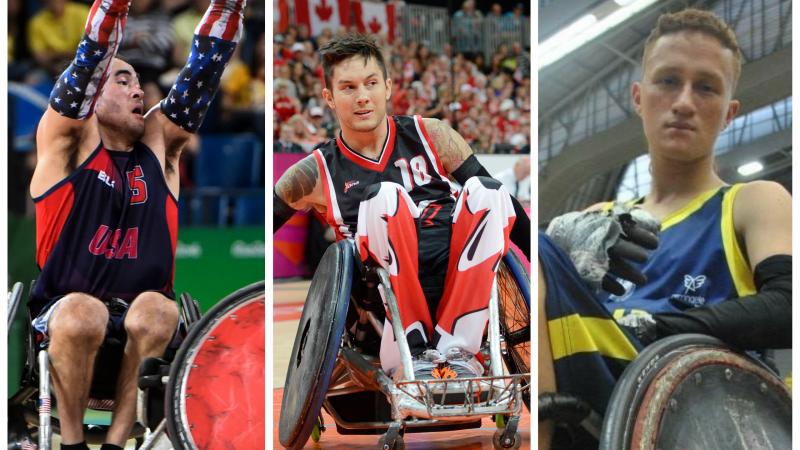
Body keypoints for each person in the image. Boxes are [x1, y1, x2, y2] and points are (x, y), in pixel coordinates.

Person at [538, 9, 791, 449]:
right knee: (525, 246)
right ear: (638, 96)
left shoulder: (751, 201)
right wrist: (560, 242)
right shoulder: (597, 218)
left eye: (706, 87)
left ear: (730, 112)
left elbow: (791, 304)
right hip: (596, 394)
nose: (684, 102)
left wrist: (660, 327)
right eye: (668, 81)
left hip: (693, 404)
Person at [29, 0, 248, 448]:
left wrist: (230, 6)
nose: (138, 91)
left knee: (157, 307)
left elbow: (203, 70)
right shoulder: (66, 140)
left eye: (137, 83)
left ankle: (115, 443)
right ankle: (72, 443)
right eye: (122, 80)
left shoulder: (158, 146)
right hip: (63, 317)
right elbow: (91, 57)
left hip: (144, 324)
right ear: (94, 94)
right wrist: (114, 7)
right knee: (82, 310)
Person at [274, 34, 531, 383]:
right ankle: (411, 345)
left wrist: (539, 259)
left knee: (489, 191)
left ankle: (457, 349)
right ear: (329, 98)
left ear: (389, 87)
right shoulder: (313, 172)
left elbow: (503, 203)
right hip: (378, 299)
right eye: (348, 87)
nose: (363, 96)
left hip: (454, 272)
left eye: (371, 83)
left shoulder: (432, 134)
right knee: (386, 196)